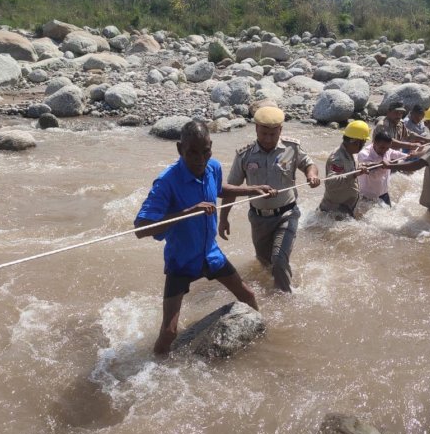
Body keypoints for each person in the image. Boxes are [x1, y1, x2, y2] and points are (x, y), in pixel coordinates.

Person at [134, 121, 276, 355]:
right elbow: (141, 228)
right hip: (181, 261)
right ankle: (154, 372)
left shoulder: (213, 167)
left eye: (206, 151)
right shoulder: (166, 182)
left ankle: (262, 341)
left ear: (211, 147)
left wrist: (251, 189)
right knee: (169, 332)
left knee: (248, 295)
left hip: (211, 254)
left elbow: (218, 189)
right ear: (180, 149)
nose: (200, 159)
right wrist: (187, 212)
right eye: (192, 153)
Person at [220, 106, 320, 293]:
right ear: (256, 128)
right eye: (263, 133)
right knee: (265, 262)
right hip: (258, 219)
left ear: (280, 130)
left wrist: (311, 175)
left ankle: (286, 300)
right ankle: (276, 285)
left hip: (286, 214)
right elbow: (231, 189)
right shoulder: (245, 155)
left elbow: (309, 164)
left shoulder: (290, 149)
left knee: (279, 261)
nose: (267, 139)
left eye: (273, 134)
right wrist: (223, 218)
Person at [383, 103, 430, 224]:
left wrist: (389, 166)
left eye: (428, 123)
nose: (427, 126)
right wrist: (417, 153)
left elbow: (418, 165)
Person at [318, 120, 371, 218]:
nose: (362, 147)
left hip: (346, 207)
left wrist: (359, 167)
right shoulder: (337, 159)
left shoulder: (351, 153)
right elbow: (331, 182)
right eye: (363, 144)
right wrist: (354, 174)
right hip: (335, 210)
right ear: (355, 142)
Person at [357, 131, 408, 207]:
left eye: (387, 148)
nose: (384, 151)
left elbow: (396, 153)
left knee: (389, 215)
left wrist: (408, 156)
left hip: (384, 192)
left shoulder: (387, 150)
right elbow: (366, 166)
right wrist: (379, 164)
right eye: (382, 148)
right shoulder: (364, 154)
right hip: (368, 195)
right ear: (374, 143)